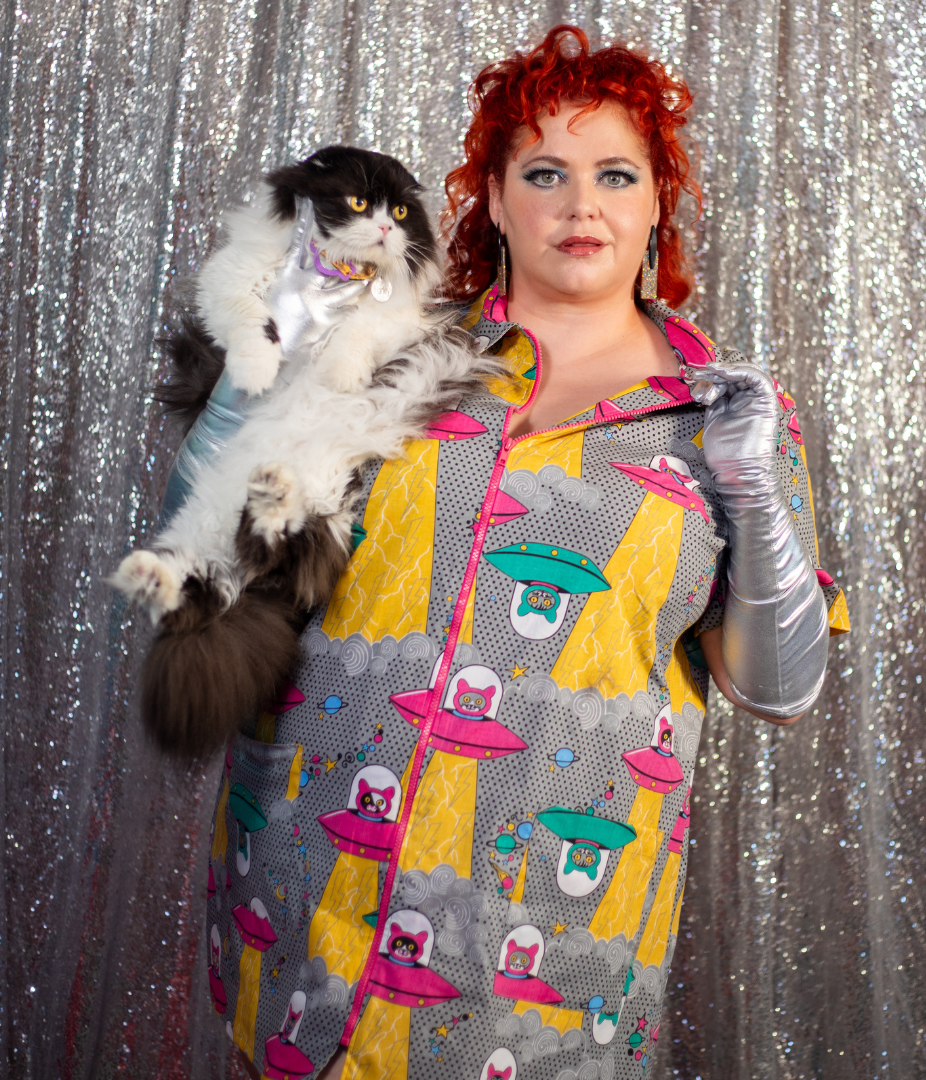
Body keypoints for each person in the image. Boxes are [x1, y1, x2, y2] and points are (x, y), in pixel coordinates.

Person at [216, 25, 849, 1080]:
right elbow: (242, 570)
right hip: (309, 905)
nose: (580, 203)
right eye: (543, 172)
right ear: (497, 201)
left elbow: (778, 691)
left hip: (544, 962)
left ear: (656, 203)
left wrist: (748, 490)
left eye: (615, 173)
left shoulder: (727, 419)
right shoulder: (394, 362)